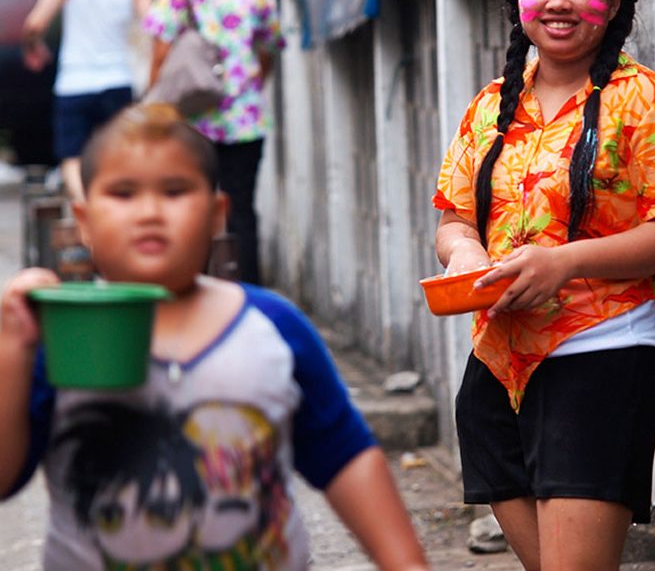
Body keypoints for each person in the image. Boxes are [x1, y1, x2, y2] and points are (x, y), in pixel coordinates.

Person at [0, 102, 430, 571]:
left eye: (175, 190)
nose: (149, 212)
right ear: (83, 221)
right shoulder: (62, 336)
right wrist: (12, 347)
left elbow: (346, 458)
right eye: (123, 193)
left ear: (217, 213)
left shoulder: (272, 328)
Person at [432, 0, 655, 571]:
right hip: (495, 366)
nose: (560, 1)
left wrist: (564, 263)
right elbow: (452, 218)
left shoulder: (649, 102)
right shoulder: (491, 106)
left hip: (601, 357)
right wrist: (466, 254)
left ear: (613, 2)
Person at [144, 0, 284, 286]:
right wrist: (250, 87)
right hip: (246, 120)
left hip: (193, 121)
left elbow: (160, 53)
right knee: (242, 209)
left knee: (193, 205)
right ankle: (249, 292)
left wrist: (156, 107)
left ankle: (196, 288)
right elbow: (269, 51)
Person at [21, 0, 152, 202]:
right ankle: (116, 215)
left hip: (75, 81)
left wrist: (33, 46)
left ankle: (86, 212)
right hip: (118, 79)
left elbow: (35, 23)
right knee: (119, 155)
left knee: (72, 158)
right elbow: (154, 27)